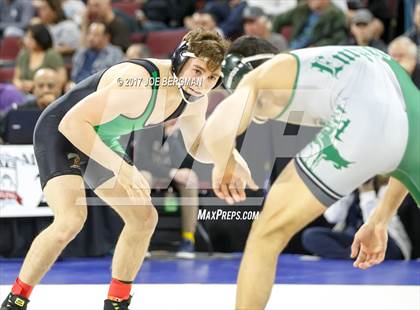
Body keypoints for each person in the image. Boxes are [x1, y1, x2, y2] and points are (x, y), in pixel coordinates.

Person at [0, 28, 229, 310]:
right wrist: (121, 167)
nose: (202, 83)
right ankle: (16, 300)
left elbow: (198, 147)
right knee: (70, 221)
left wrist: (226, 159)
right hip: (62, 132)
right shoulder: (139, 82)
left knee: (144, 219)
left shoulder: (195, 98)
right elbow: (72, 125)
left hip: (100, 139)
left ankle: (117, 303)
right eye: (198, 70)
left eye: (212, 77)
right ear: (180, 59)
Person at [200, 36, 419, 309]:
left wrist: (225, 161)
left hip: (358, 117)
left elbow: (214, 130)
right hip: (414, 125)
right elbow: (401, 139)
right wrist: (379, 220)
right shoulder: (330, 66)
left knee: (265, 236)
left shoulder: (259, 75)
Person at [133, 120, 200, 258]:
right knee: (142, 178)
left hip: (174, 175)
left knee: (190, 179)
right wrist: (170, 173)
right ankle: (140, 239)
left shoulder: (182, 130)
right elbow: (141, 161)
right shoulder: (147, 127)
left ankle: (188, 239)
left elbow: (187, 163)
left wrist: (172, 139)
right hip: (152, 172)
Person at [302, 178, 411, 260]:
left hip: (386, 241)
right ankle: (350, 257)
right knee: (310, 235)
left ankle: (349, 257)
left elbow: (375, 224)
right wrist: (345, 189)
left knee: (381, 242)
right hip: (354, 241)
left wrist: (367, 192)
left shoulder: (387, 190)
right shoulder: (352, 192)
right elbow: (332, 217)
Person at [0, 68, 62, 141]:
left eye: (50, 86)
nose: (46, 90)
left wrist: (54, 106)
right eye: (40, 86)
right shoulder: (19, 110)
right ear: (34, 89)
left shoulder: (69, 110)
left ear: (59, 89)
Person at [12, 24, 66, 94]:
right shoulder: (23, 55)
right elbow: (16, 78)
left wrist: (37, 85)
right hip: (23, 93)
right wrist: (20, 84)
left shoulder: (51, 54)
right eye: (26, 37)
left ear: (40, 38)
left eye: (31, 38)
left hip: (45, 94)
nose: (27, 40)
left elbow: (62, 79)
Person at [272, 0, 347, 49]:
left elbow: (338, 39)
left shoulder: (336, 14)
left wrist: (316, 47)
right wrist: (275, 39)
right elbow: (278, 20)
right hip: (291, 49)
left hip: (313, 54)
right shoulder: (302, 9)